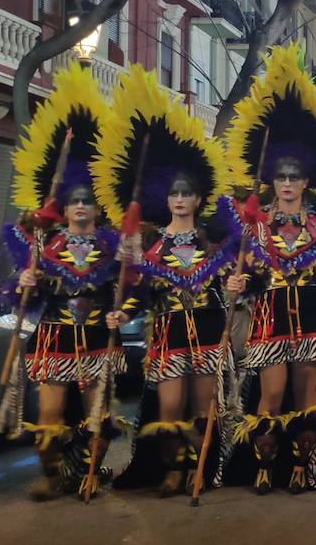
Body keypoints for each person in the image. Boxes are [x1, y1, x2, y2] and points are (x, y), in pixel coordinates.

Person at [98, 69, 242, 498]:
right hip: (169, 334)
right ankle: (175, 469)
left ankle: (202, 469)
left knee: (202, 412)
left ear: (198, 200)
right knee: (169, 409)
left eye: (187, 194)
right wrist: (123, 310)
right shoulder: (150, 245)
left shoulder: (214, 242)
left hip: (208, 330)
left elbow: (243, 279)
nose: (180, 199)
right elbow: (138, 294)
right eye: (174, 195)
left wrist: (238, 284)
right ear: (167, 200)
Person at [223, 44, 316, 494]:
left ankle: (301, 466)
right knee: (270, 396)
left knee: (305, 398)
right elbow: (248, 276)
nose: (288, 184)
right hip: (272, 318)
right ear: (272, 182)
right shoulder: (253, 225)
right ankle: (265, 465)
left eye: (295, 178)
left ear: (306, 181)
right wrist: (238, 283)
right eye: (281, 178)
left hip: (315, 316)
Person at [0, 62, 129, 500]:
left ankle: (87, 473)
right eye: (73, 202)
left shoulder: (113, 248)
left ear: (96, 208)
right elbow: (20, 295)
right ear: (64, 206)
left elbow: (130, 292)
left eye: (86, 202)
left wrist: (121, 309)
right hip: (53, 337)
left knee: (97, 410)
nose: (79, 207)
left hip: (96, 336)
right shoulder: (43, 243)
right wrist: (26, 280)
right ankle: (53, 475)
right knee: (50, 413)